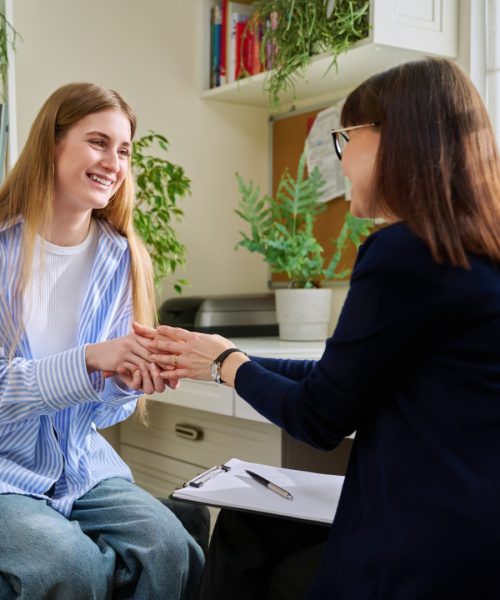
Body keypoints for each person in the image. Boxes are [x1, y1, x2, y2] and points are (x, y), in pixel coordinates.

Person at [133, 56, 500, 599]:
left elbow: (320, 416)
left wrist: (225, 365)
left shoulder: (404, 252)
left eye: (344, 138)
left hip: (420, 555)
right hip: (472, 538)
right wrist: (224, 358)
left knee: (239, 534)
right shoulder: (474, 252)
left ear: (390, 139)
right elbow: (343, 378)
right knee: (250, 528)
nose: (342, 161)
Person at [0, 82, 204, 599]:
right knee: (70, 564)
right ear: (53, 142)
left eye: (124, 150)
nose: (114, 162)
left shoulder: (122, 257)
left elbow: (102, 414)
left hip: (81, 466)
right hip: (4, 472)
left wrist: (125, 380)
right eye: (97, 142)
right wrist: (91, 359)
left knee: (170, 548)